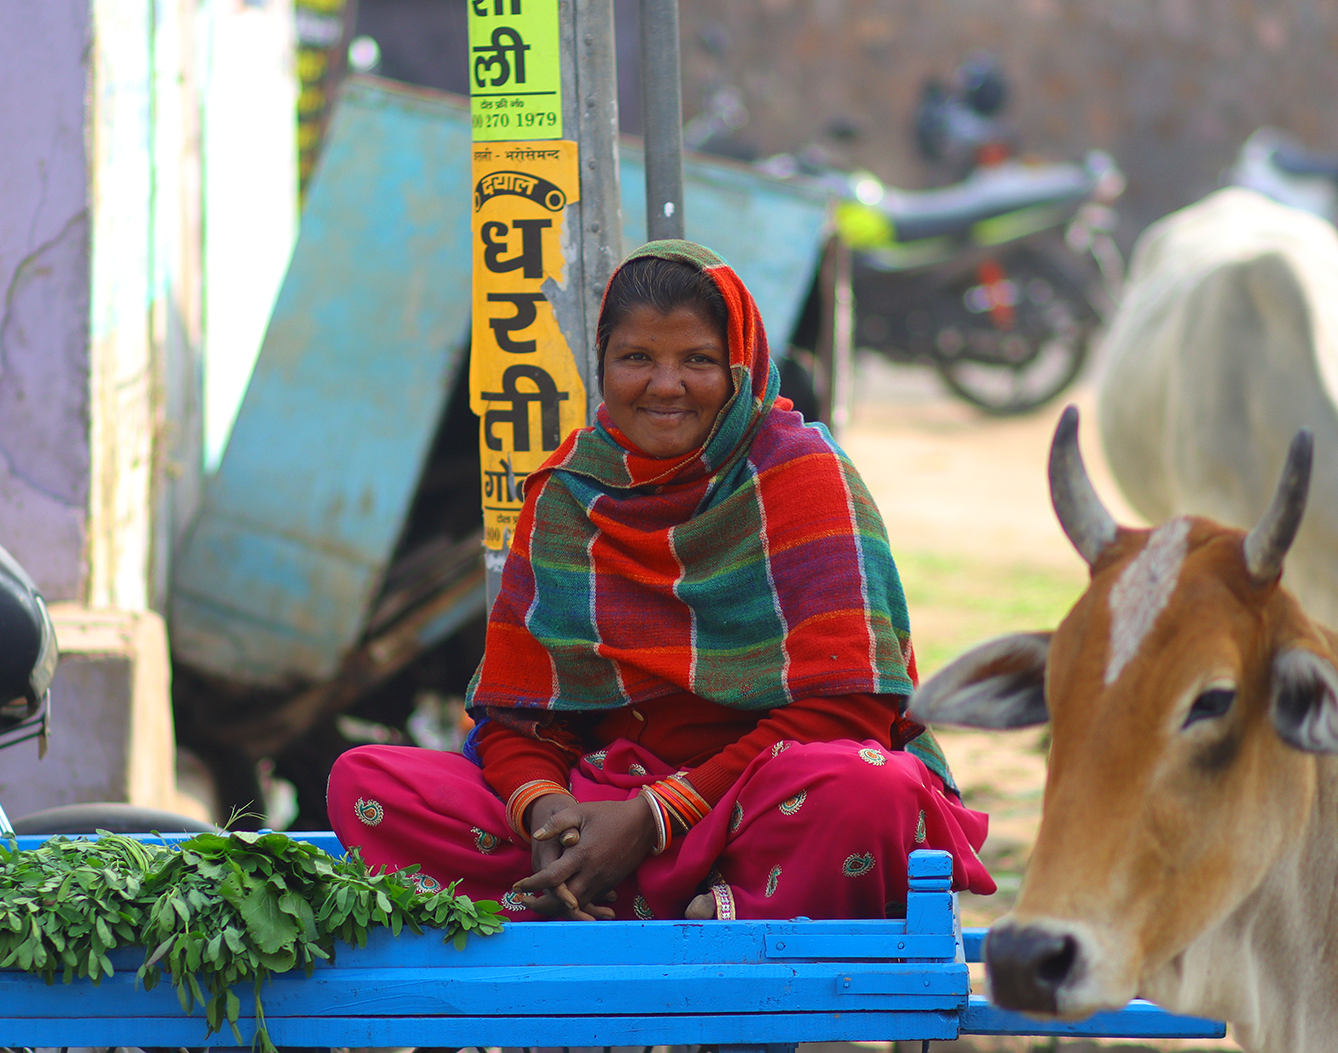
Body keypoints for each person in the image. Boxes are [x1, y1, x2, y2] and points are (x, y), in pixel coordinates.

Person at [328, 240, 993, 921]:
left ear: (740, 369)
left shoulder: (803, 477)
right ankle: (611, 886)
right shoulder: (568, 492)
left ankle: (635, 897)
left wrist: (655, 817)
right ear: (603, 363)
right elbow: (520, 719)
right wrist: (548, 814)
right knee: (365, 781)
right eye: (636, 357)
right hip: (604, 801)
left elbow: (850, 711)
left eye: (697, 360)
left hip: (756, 808)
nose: (665, 385)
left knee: (867, 788)